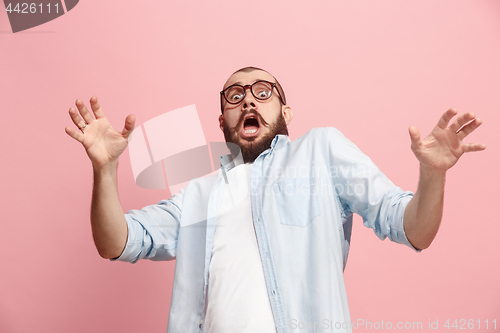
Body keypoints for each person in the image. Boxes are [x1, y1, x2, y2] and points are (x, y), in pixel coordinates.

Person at [65, 67, 485, 333]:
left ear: (286, 110)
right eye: (235, 95)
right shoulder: (198, 195)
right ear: (223, 121)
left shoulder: (321, 152)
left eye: (263, 91)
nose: (248, 98)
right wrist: (105, 169)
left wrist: (432, 174)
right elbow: (118, 242)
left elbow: (413, 230)